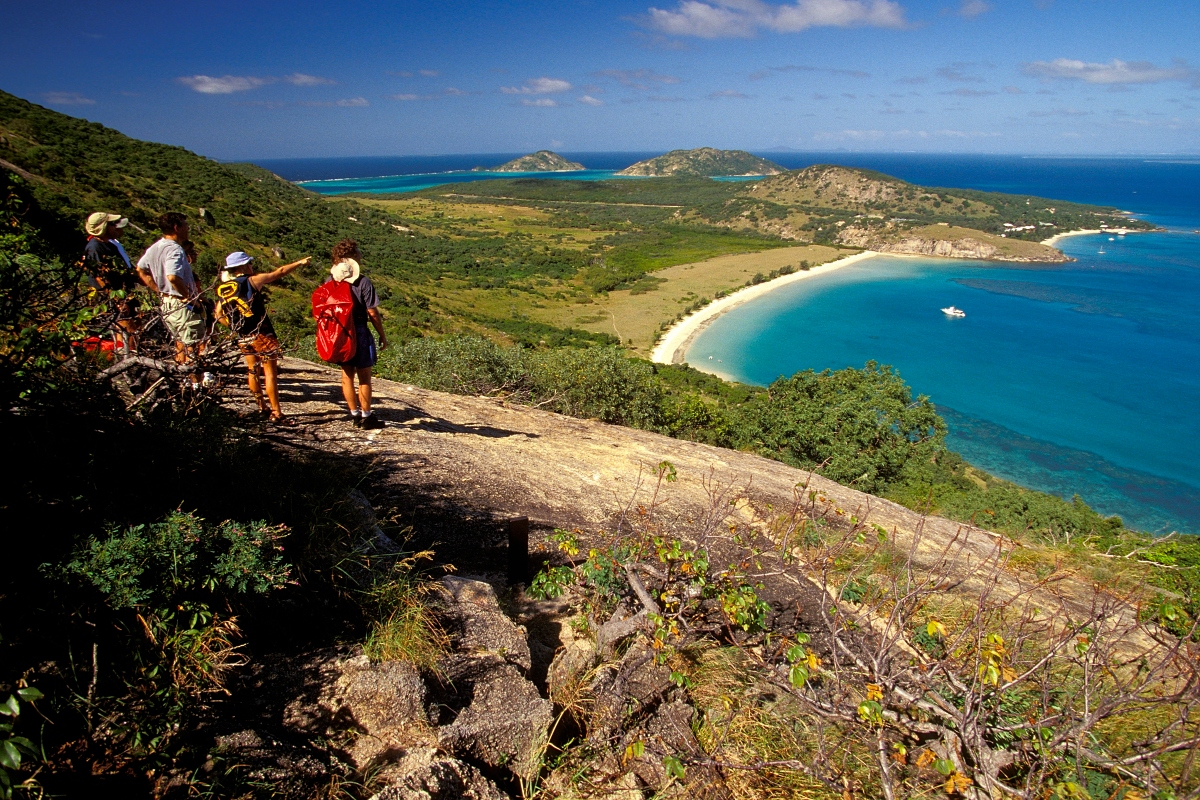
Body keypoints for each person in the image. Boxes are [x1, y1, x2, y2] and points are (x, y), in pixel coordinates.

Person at [216, 250, 310, 425]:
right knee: (269, 373)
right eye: (249, 263)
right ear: (243, 266)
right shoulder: (252, 280)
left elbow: (218, 314)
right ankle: (276, 412)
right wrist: (299, 263)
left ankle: (261, 407)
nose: (252, 266)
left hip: (243, 335)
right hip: (261, 334)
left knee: (252, 370)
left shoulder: (225, 289)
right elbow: (279, 272)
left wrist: (233, 326)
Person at [136, 212, 210, 388]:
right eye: (185, 224)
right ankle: (195, 387)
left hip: (167, 303)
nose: (188, 228)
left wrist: (159, 290)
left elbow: (141, 269)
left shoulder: (155, 248)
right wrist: (190, 298)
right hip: (181, 303)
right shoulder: (175, 249)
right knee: (192, 345)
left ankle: (183, 382)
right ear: (177, 228)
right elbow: (172, 276)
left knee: (181, 344)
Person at [328, 239, 388, 429]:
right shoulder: (363, 282)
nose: (361, 255)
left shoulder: (329, 282)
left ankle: (354, 415)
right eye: (358, 253)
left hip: (341, 332)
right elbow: (372, 312)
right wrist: (382, 335)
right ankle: (366, 415)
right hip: (360, 331)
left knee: (347, 375)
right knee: (364, 377)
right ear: (353, 257)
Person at [82, 212, 141, 351]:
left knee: (132, 329)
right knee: (124, 329)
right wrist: (117, 300)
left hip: (123, 294)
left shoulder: (110, 245)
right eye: (112, 224)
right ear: (103, 227)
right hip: (113, 299)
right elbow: (99, 276)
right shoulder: (94, 247)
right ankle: (125, 360)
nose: (117, 227)